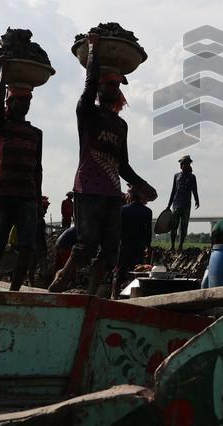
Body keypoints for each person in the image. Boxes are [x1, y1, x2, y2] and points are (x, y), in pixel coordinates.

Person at [49, 32, 157, 295]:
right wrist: (94, 51)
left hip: (111, 192)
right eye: (109, 84)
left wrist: (142, 185)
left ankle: (92, 294)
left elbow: (124, 165)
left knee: (110, 253)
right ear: (99, 87)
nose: (114, 89)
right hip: (88, 188)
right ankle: (63, 277)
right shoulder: (87, 113)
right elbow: (87, 85)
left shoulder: (121, 125)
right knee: (85, 248)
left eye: (117, 85)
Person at [0, 75, 43, 292]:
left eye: (28, 101)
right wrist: (3, 75)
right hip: (3, 193)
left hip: (27, 195)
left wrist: (38, 198)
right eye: (21, 100)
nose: (25, 105)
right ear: (10, 102)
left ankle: (15, 290)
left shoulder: (36, 134)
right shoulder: (1, 126)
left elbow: (37, 168)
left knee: (27, 246)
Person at [111, 188, 154, 299]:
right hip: (139, 245)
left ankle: (114, 296)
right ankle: (133, 296)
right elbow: (148, 231)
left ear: (131, 197)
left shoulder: (123, 210)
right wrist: (148, 246)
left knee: (119, 271)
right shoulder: (147, 211)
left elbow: (117, 229)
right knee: (137, 271)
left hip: (125, 244)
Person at [166, 155, 200, 251]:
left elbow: (194, 190)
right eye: (182, 164)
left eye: (186, 164)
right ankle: (172, 245)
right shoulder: (176, 176)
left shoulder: (192, 177)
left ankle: (180, 245)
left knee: (184, 227)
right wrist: (168, 205)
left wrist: (197, 200)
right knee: (174, 226)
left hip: (186, 205)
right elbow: (173, 191)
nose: (184, 166)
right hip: (176, 204)